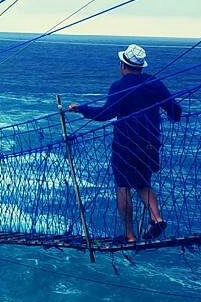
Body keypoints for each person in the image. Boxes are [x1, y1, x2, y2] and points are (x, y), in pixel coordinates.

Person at [68, 44, 182, 244]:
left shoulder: (119, 86)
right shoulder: (155, 83)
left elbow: (105, 114)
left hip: (126, 145)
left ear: (123, 65)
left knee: (123, 187)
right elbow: (175, 111)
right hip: (151, 143)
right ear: (141, 66)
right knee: (143, 184)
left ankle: (129, 236)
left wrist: (81, 109)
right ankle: (157, 218)